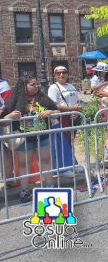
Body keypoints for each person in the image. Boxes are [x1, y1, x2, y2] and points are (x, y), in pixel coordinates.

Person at [0, 75, 59, 203]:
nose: (36, 87)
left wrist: (50, 112)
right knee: (23, 164)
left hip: (42, 136)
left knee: (45, 160)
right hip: (23, 139)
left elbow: (57, 111)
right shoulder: (13, 100)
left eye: (37, 84)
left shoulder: (42, 98)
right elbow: (2, 121)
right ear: (23, 86)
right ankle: (25, 190)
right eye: (32, 84)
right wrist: (9, 116)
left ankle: (50, 186)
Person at [48, 66, 82, 175]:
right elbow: (53, 105)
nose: (61, 75)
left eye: (63, 72)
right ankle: (62, 168)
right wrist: (73, 109)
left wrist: (77, 112)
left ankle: (72, 164)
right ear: (55, 75)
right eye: (58, 73)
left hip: (72, 117)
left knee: (70, 142)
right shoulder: (53, 88)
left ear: (67, 74)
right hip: (61, 118)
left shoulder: (71, 86)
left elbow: (78, 102)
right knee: (61, 143)